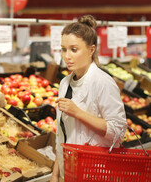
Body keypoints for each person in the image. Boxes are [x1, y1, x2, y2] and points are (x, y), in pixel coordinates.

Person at [50, 15, 127, 182]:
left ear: (91, 50)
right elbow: (62, 134)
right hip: (69, 172)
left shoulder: (103, 82)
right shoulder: (65, 83)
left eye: (74, 49)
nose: (67, 56)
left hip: (97, 173)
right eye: (63, 49)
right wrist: (55, 174)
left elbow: (118, 132)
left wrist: (78, 113)